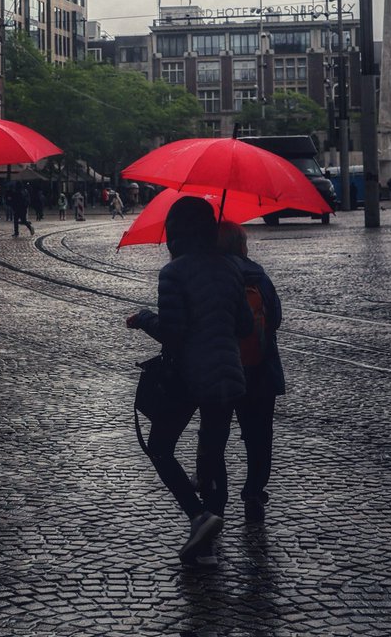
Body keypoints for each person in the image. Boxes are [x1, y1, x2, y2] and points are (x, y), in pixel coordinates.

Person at [126, 196, 253, 567]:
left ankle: (198, 516)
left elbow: (173, 332)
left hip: (189, 374)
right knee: (212, 455)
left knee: (159, 447)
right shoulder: (232, 267)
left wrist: (143, 318)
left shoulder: (174, 273)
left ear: (175, 230)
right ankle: (207, 543)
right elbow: (245, 325)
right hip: (228, 374)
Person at [197, 222, 285, 525]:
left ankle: (215, 501)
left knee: (214, 436)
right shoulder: (258, 274)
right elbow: (275, 318)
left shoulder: (210, 275)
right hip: (261, 367)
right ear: (241, 244)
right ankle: (253, 493)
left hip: (221, 369)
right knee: (259, 436)